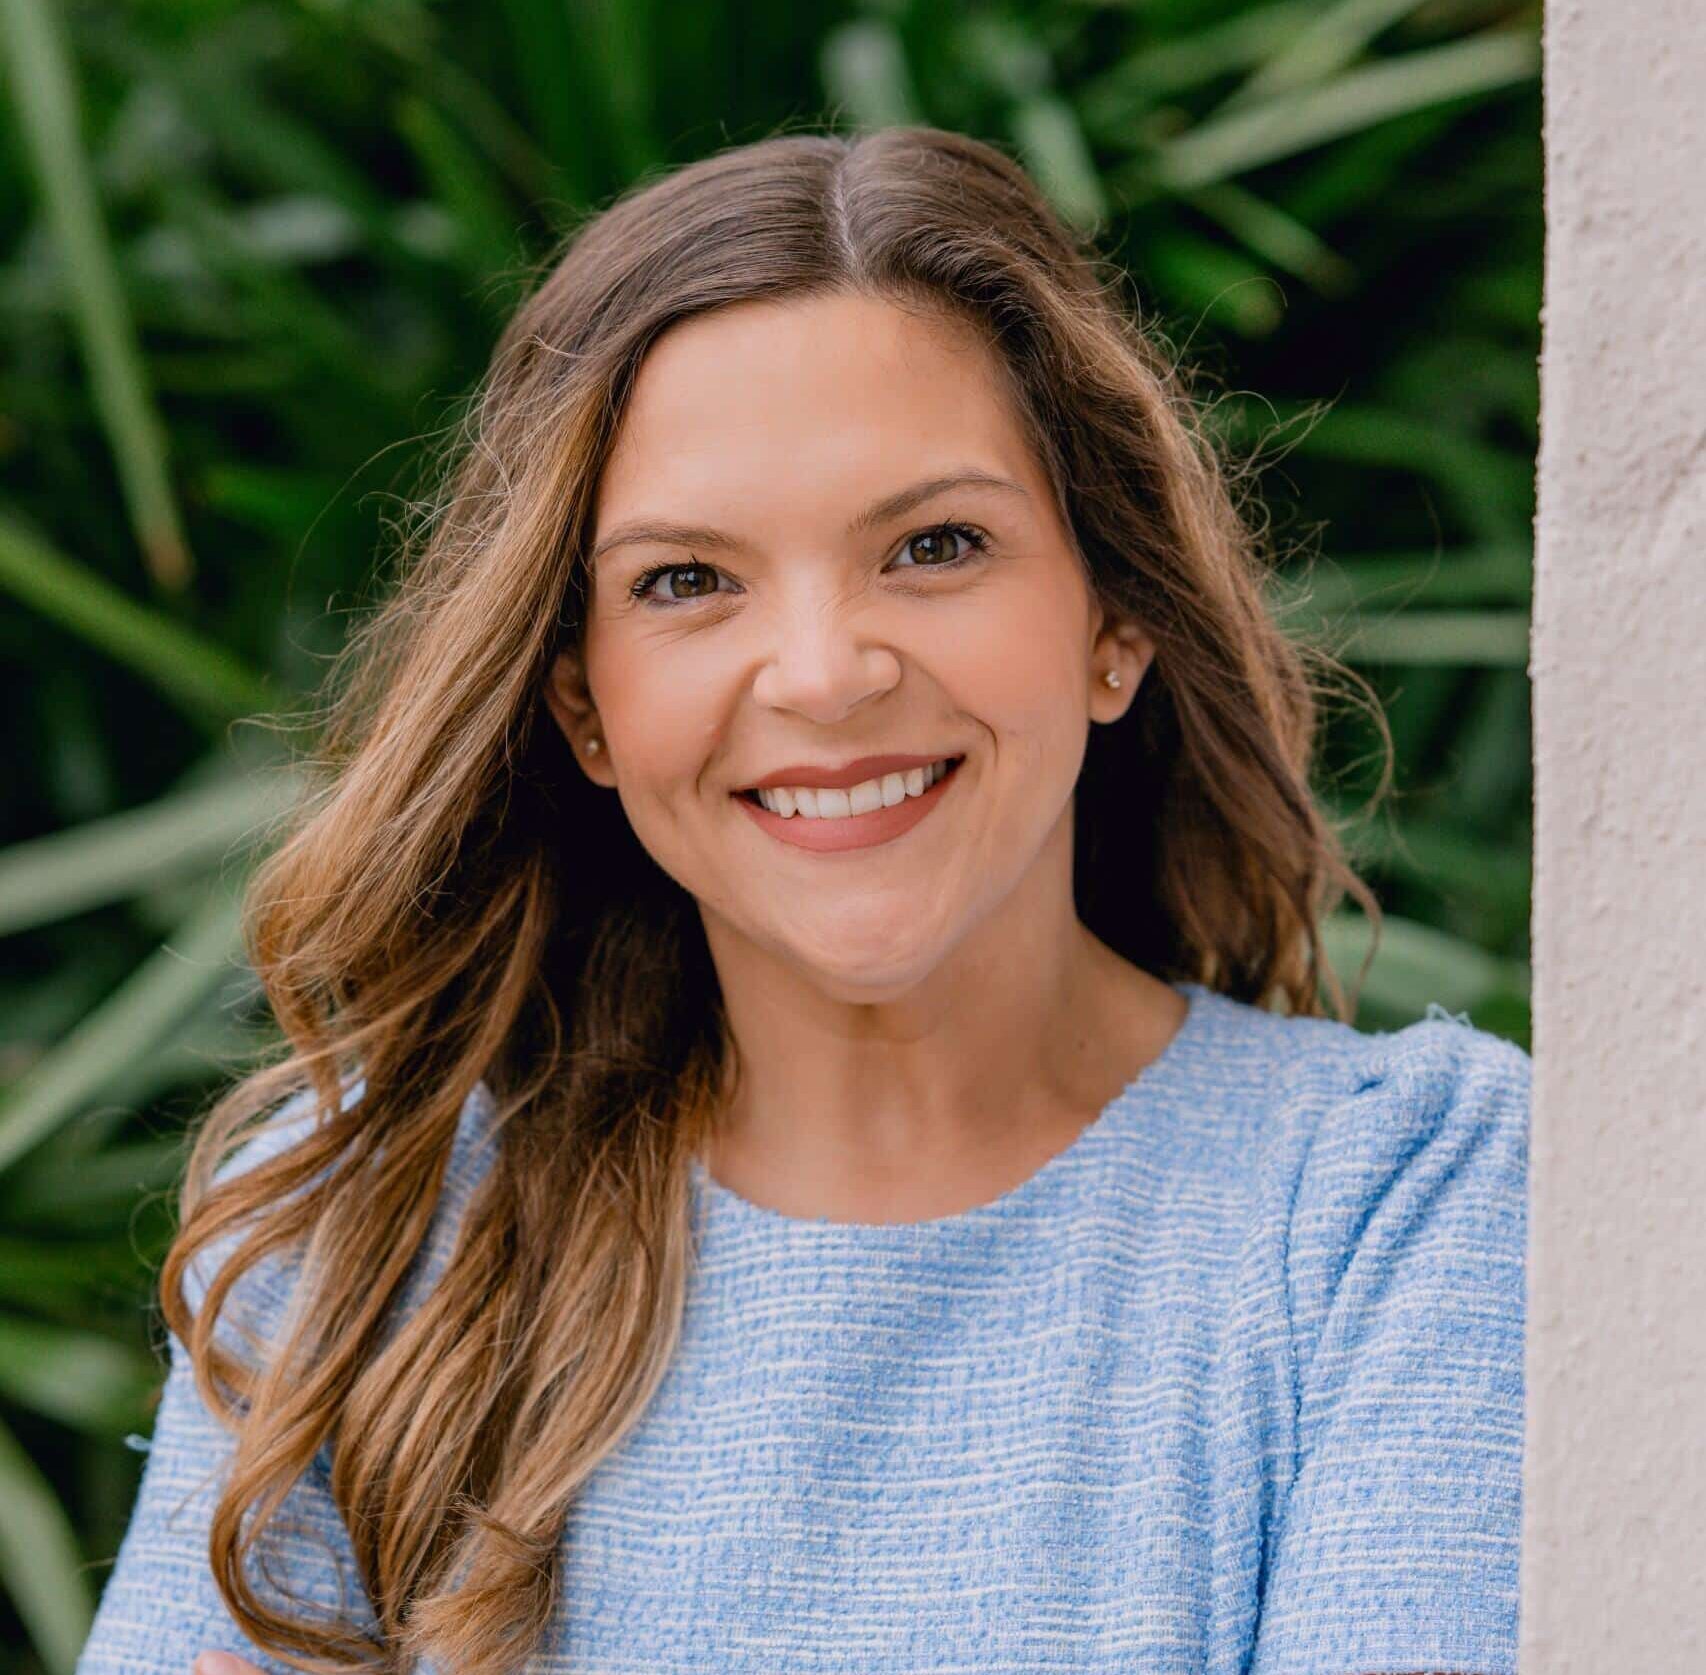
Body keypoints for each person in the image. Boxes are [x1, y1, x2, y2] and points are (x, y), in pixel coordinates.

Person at [74, 125, 1530, 1675]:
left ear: (1114, 617)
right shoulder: (376, 1218)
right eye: (687, 582)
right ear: (582, 701)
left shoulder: (1396, 1204)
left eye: (935, 545)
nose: (827, 673)